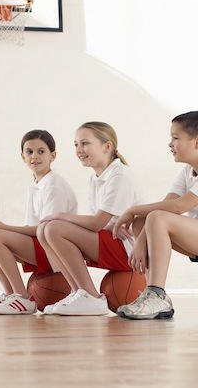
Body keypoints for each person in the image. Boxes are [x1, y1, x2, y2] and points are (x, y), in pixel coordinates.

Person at [111, 111, 198, 320]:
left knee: (153, 217)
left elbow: (180, 206)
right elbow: (165, 205)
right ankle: (153, 296)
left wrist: (131, 210)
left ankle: (156, 293)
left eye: (175, 138)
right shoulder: (188, 171)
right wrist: (140, 238)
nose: (170, 144)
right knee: (143, 221)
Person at [37, 121, 146, 316]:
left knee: (53, 228)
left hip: (129, 250)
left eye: (85, 143)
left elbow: (96, 222)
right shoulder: (95, 178)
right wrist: (105, 225)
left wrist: (62, 216)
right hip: (112, 240)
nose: (79, 150)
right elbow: (99, 223)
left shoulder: (120, 175)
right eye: (76, 144)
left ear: (107, 146)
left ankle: (92, 297)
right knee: (44, 230)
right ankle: (78, 291)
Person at [0, 130, 77, 315]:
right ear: (22, 157)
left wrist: (3, 227)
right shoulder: (36, 185)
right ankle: (11, 294)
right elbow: (30, 228)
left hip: (55, 250)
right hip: (41, 243)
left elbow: (45, 230)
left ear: (53, 156)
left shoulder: (54, 184)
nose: (35, 156)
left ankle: (23, 298)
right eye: (29, 152)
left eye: (41, 151)